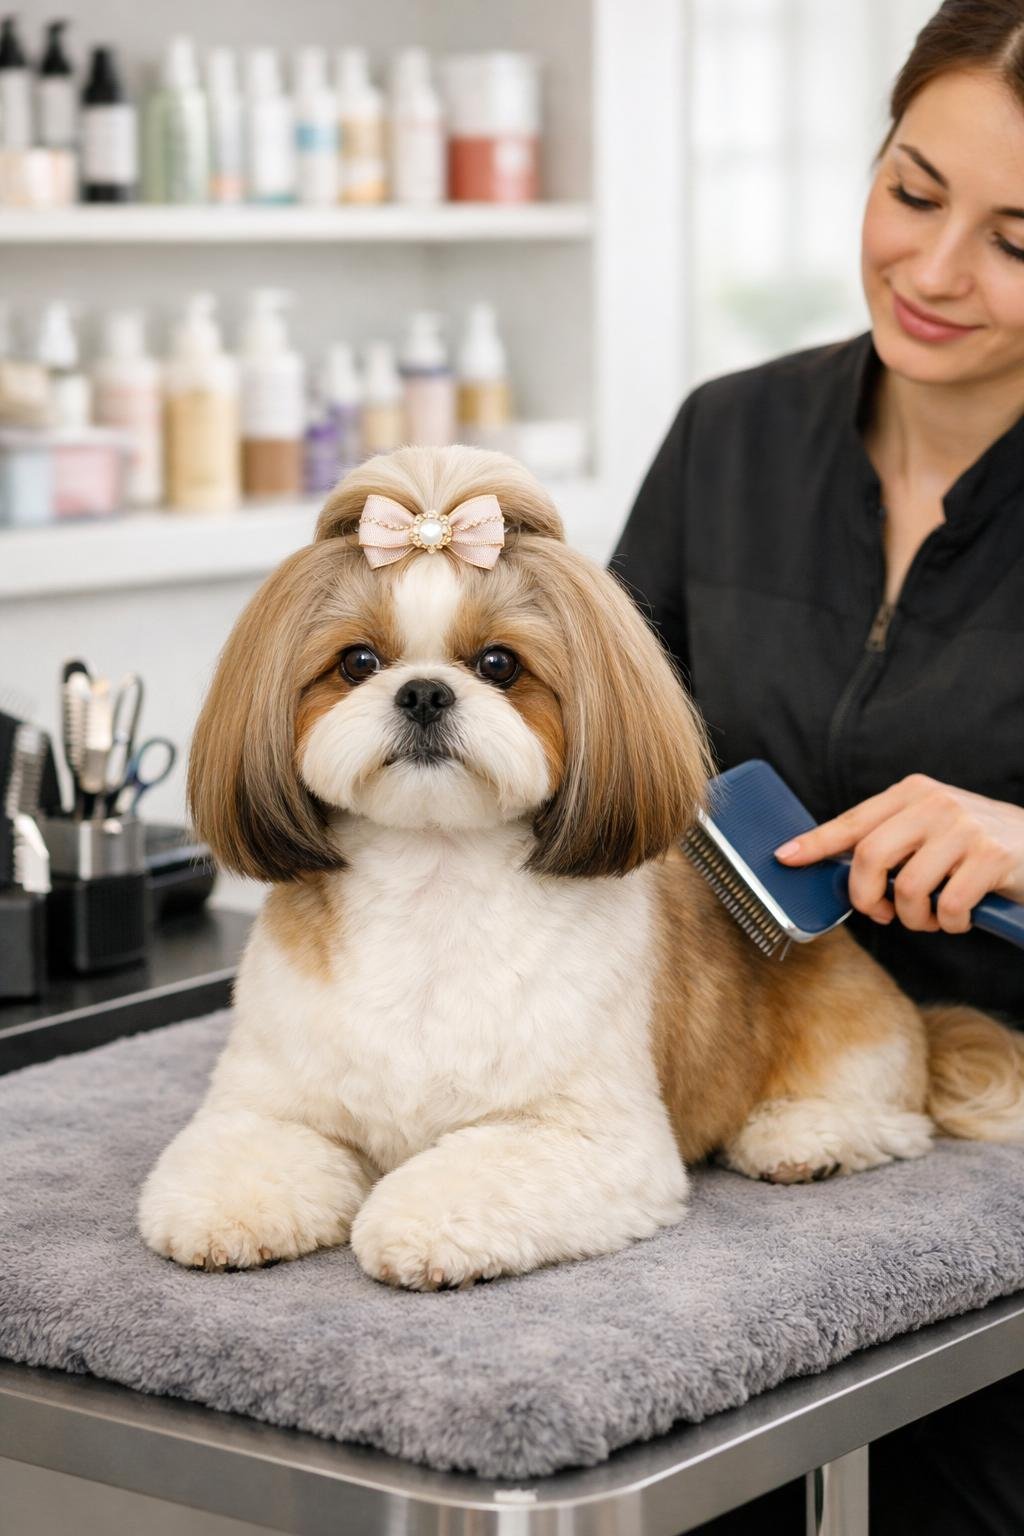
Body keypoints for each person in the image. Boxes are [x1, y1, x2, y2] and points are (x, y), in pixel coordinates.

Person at [609, 2, 1024, 1531]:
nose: (931, 272)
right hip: (726, 1162)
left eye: (1016, 242)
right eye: (913, 191)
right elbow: (590, 751)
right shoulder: (729, 438)